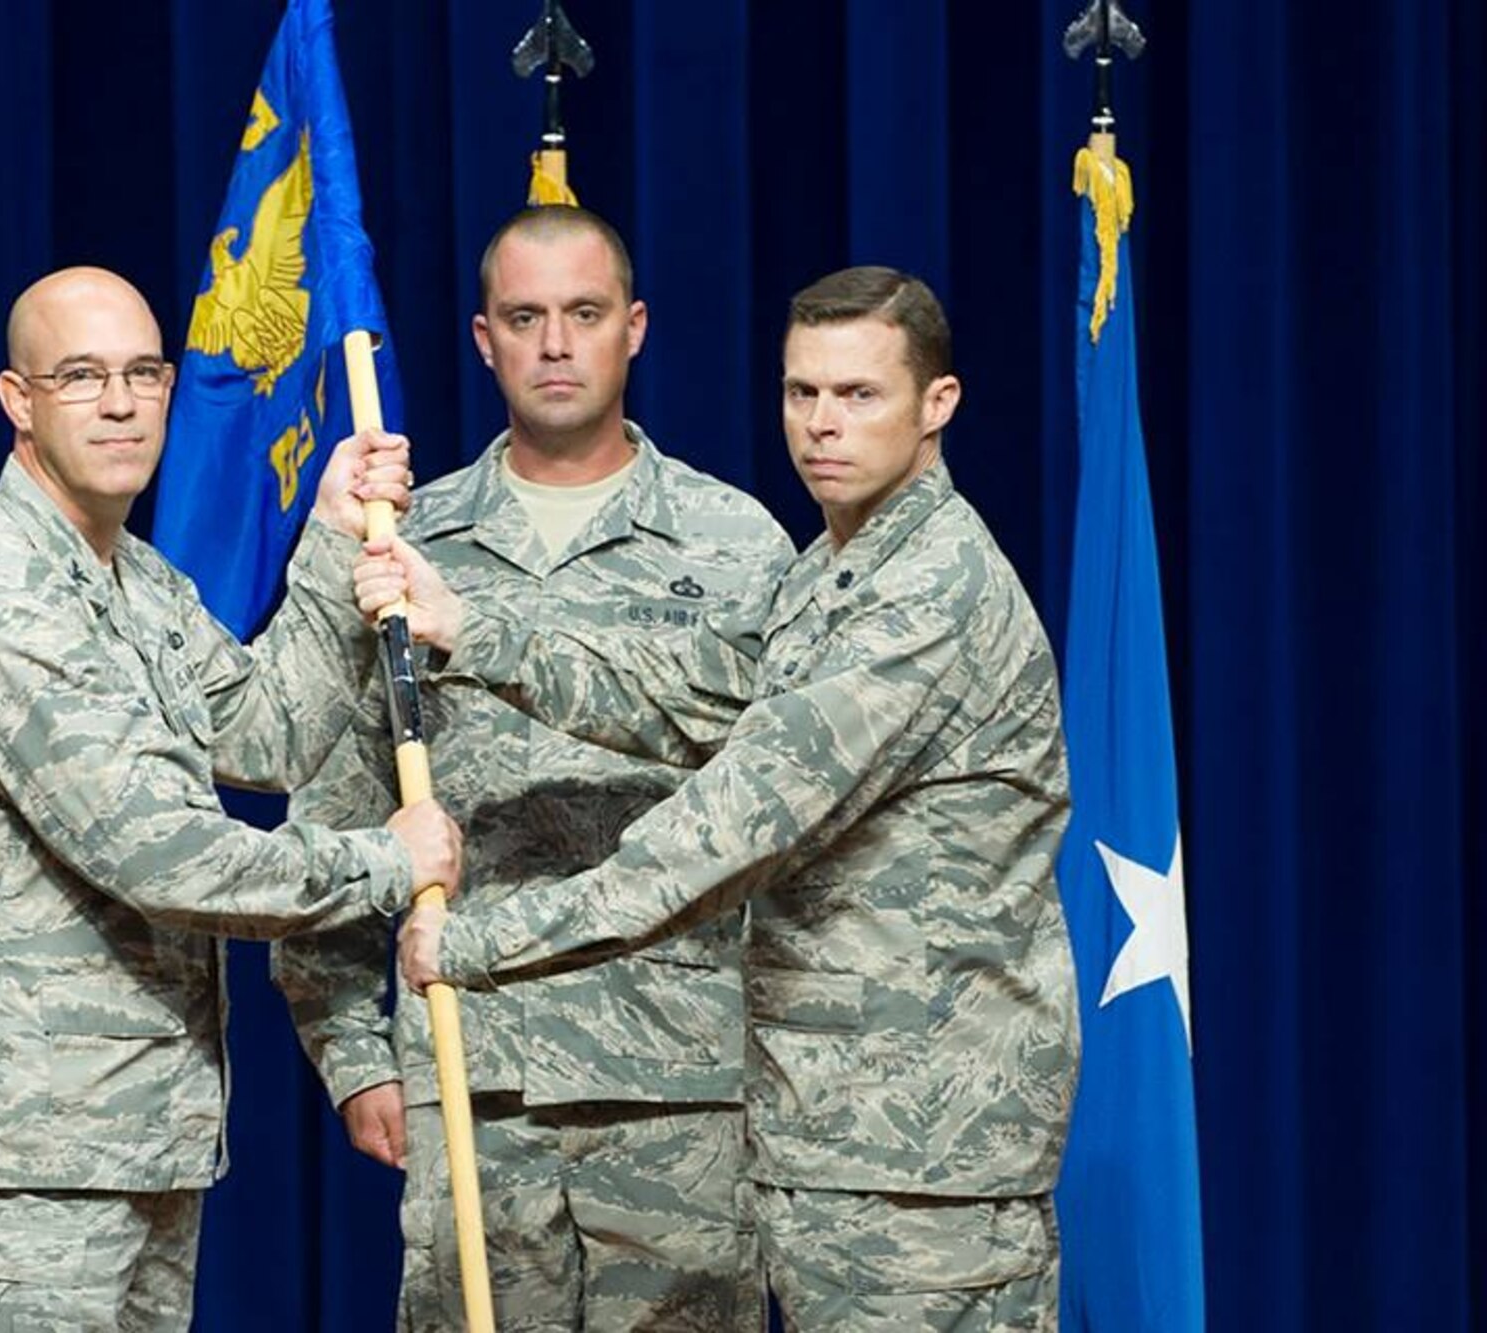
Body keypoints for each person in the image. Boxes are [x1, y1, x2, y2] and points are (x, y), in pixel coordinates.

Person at [378, 266, 1079, 1331]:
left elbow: (725, 830)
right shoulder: (832, 572)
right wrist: (470, 630)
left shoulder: (927, 592)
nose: (821, 426)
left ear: (935, 405)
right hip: (830, 1138)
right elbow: (690, 687)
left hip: (924, 1160)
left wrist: (474, 944)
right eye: (802, 393)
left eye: (858, 395)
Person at [0, 266, 462, 1331]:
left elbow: (269, 732)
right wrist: (385, 863)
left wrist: (332, 538)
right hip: (21, 1168)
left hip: (131, 1141)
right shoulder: (5, 594)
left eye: (142, 372)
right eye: (82, 376)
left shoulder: (133, 579)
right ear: (18, 400)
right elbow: (162, 855)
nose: (119, 402)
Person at [272, 207, 795, 1331]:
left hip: (679, 1082)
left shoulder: (738, 543)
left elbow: (785, 799)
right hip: (476, 1074)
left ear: (634, 329)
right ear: (482, 339)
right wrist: (352, 1052)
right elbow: (335, 808)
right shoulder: (404, 540)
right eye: (524, 317)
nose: (554, 344)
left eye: (583, 314)